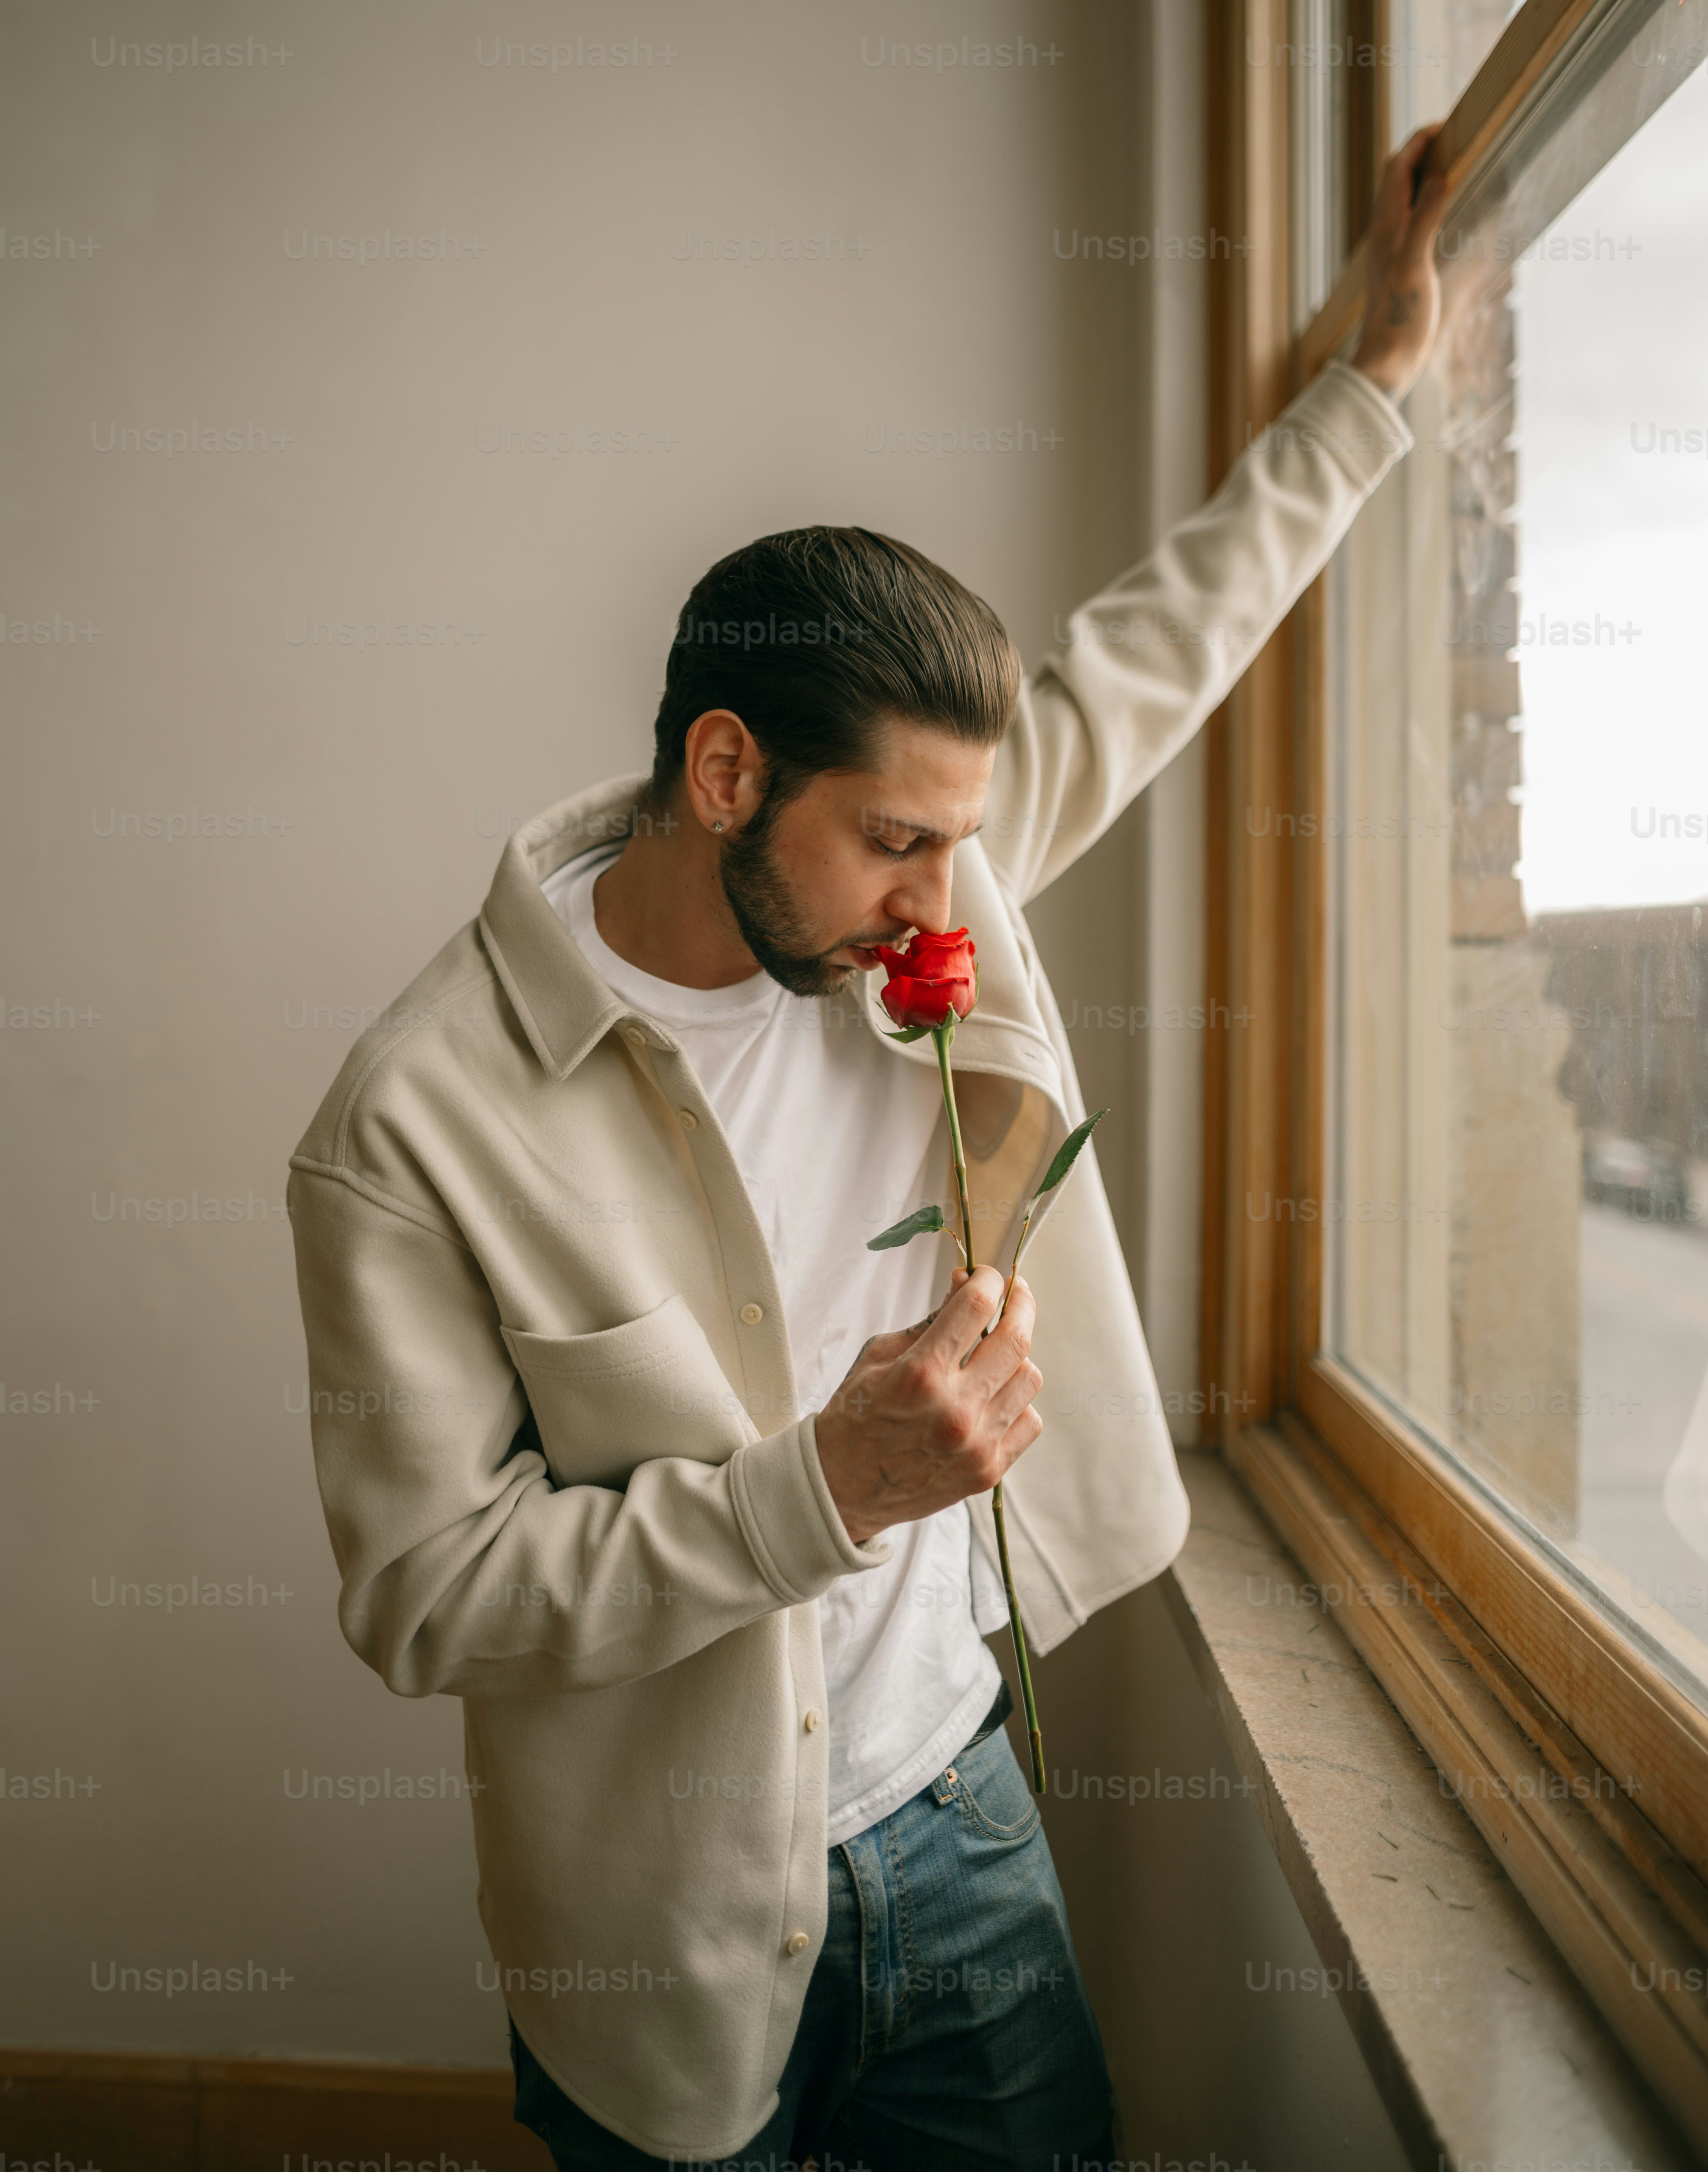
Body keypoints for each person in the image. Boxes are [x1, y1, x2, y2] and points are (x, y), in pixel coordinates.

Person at [289, 129, 1447, 2171]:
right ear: (721, 773)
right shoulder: (408, 1127)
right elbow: (426, 1599)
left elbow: (1157, 655)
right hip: (650, 1929)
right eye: (895, 842)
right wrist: (815, 1491)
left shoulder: (936, 888)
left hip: (964, 1810)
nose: (944, 907)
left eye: (959, 842)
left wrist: (1371, 383)